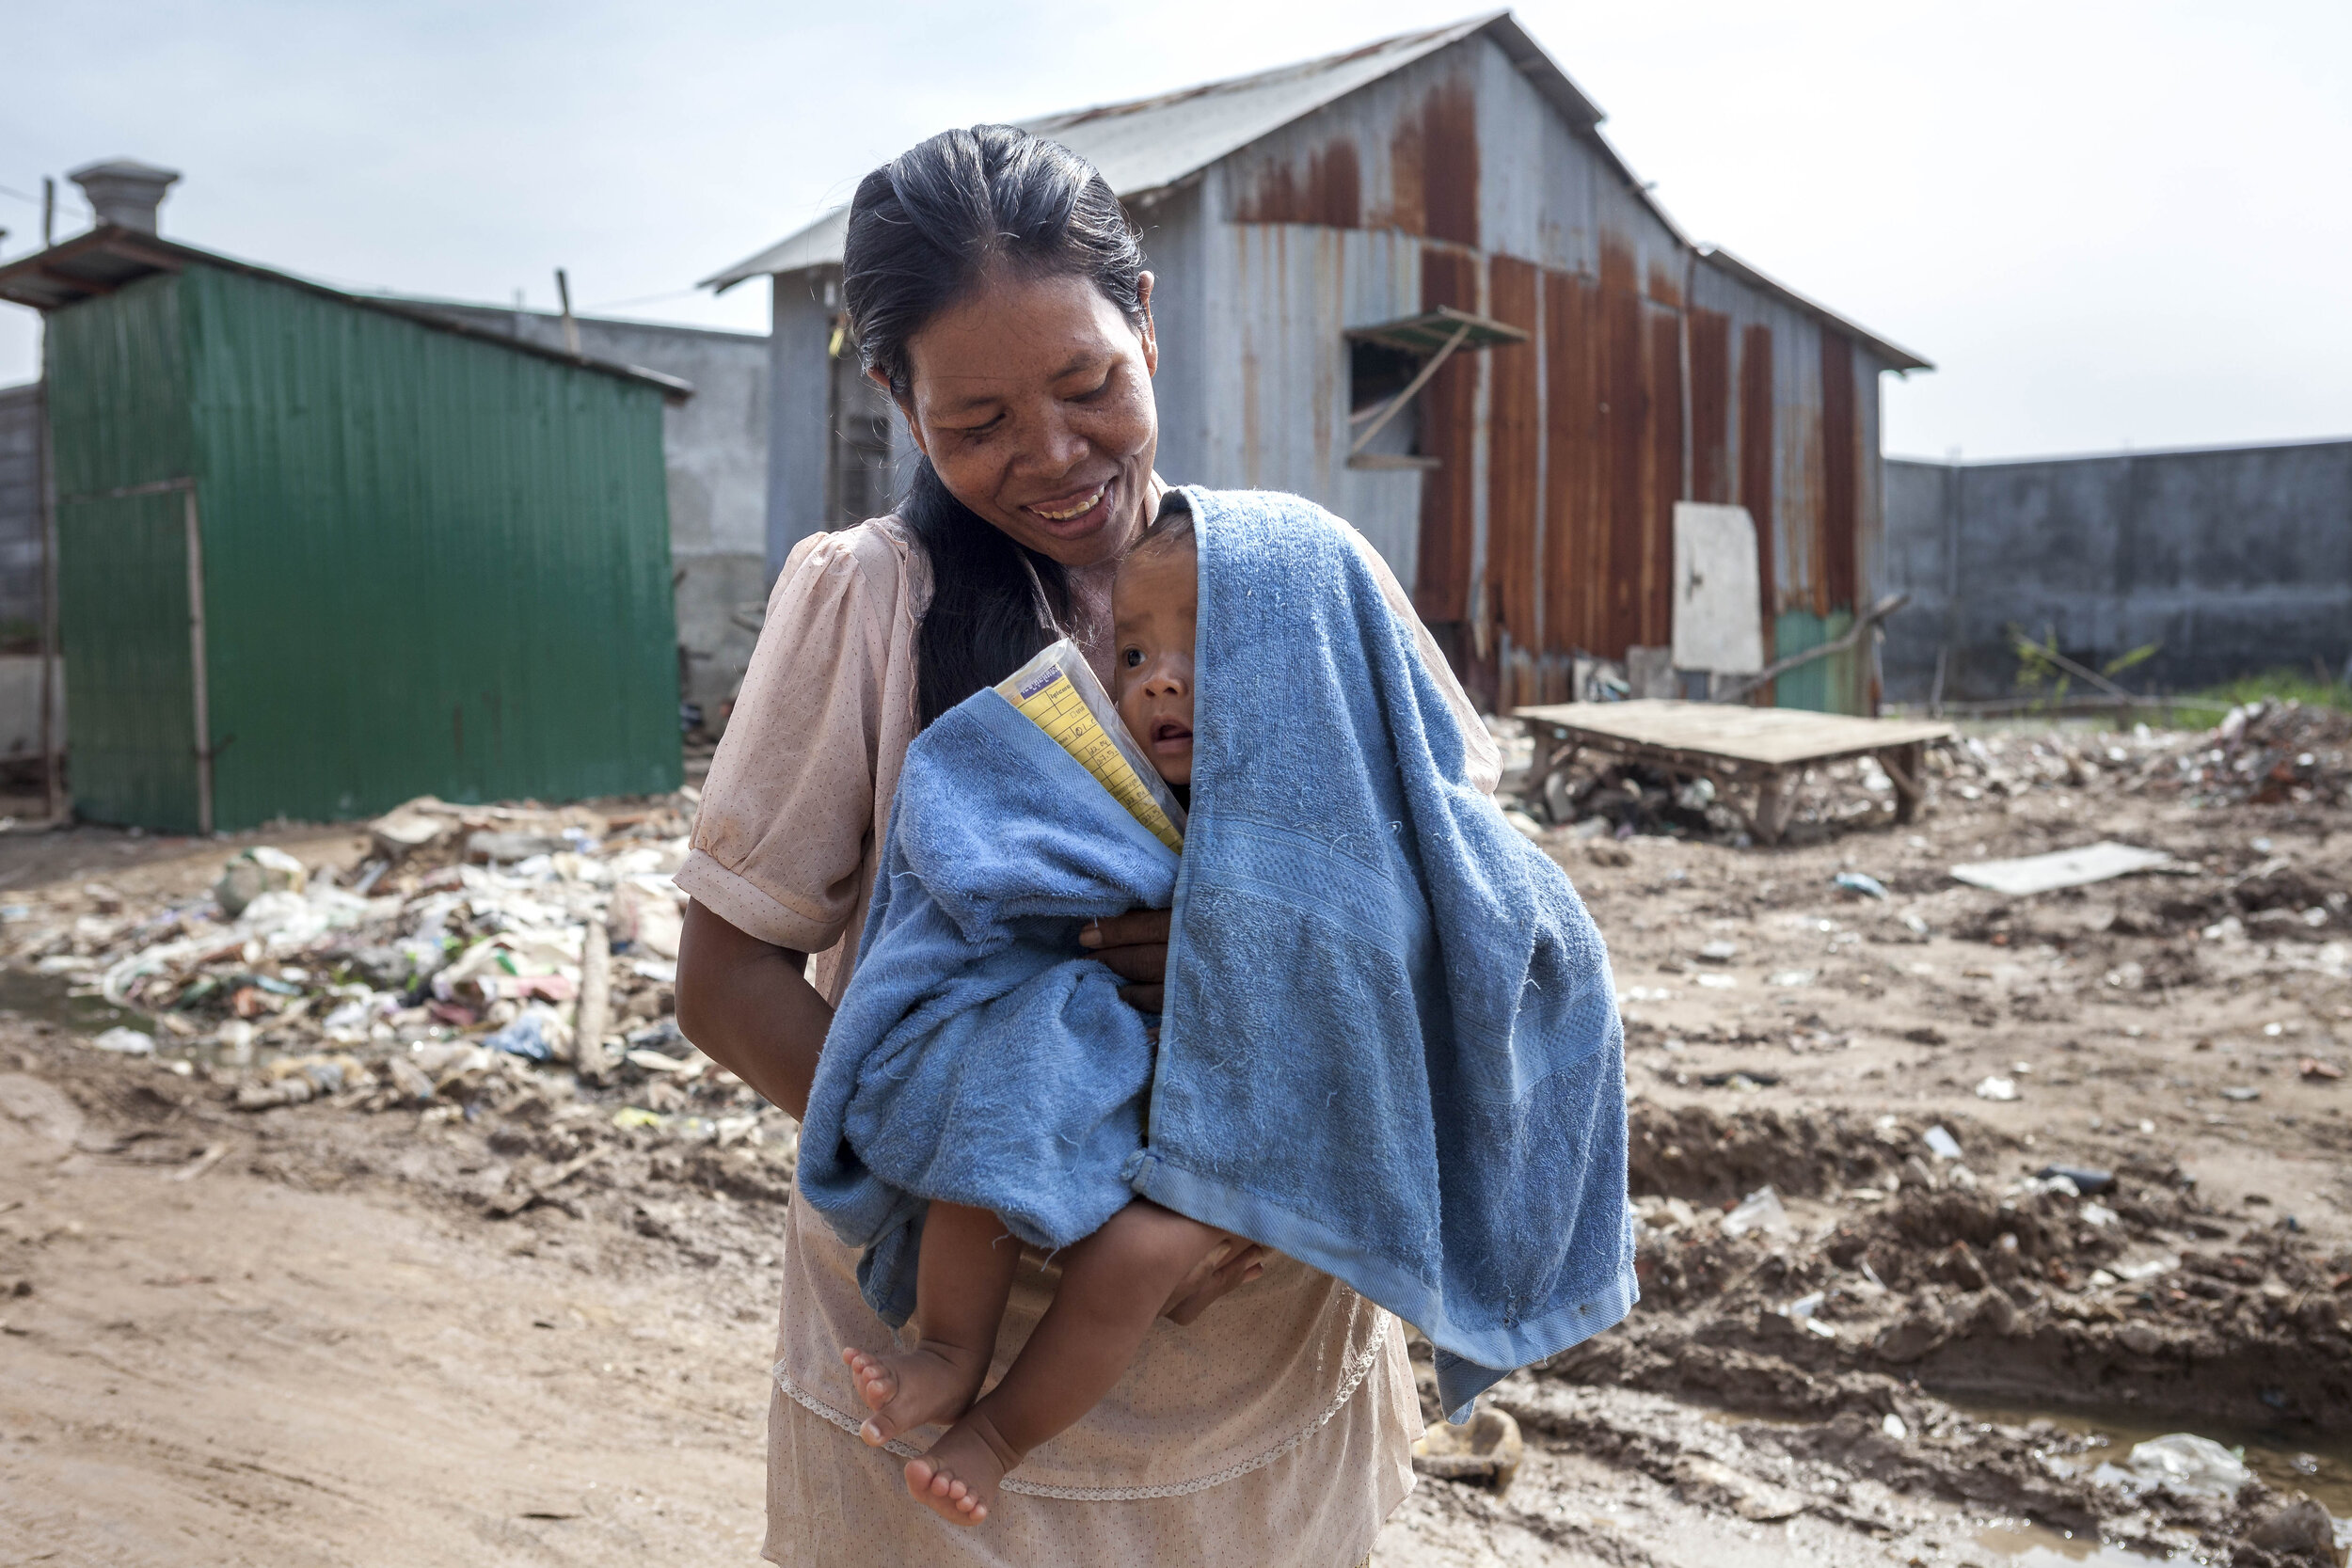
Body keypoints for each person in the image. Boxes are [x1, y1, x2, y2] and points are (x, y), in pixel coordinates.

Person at [675, 122, 1501, 1568]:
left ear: (1149, 334)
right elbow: (724, 974)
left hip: (1258, 1369)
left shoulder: (1303, 583)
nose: (1053, 460)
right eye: (977, 422)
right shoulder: (870, 604)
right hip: (956, 1360)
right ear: (894, 398)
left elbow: (1479, 917)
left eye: (1087, 387)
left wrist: (1275, 1020)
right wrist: (985, 1160)